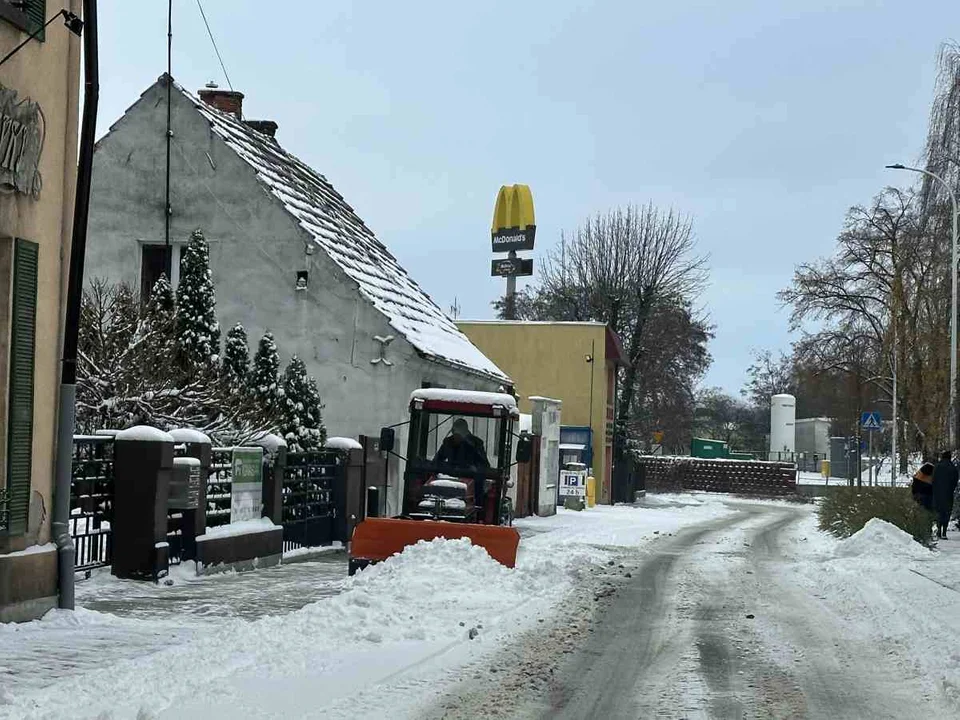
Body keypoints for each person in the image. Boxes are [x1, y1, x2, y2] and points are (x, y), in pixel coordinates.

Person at [433, 418, 490, 511]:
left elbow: (484, 464)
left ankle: (479, 510)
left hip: (470, 477)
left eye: (459, 434)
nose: (456, 436)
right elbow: (437, 461)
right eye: (455, 433)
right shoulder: (448, 443)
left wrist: (474, 469)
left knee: (480, 485)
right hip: (449, 475)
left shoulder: (475, 444)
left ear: (465, 433)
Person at [932, 451, 959, 539]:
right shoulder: (952, 468)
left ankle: (939, 530)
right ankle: (944, 532)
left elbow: (933, 479)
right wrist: (951, 489)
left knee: (939, 511)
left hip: (937, 493)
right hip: (948, 493)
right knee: (947, 512)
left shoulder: (937, 466)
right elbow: (955, 480)